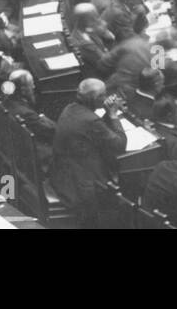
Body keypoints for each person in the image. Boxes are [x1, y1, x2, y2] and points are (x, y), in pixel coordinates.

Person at [51, 78, 126, 228]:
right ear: (95, 99)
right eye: (103, 95)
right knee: (125, 184)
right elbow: (120, 145)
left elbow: (95, 130)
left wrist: (106, 112)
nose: (106, 98)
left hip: (61, 173)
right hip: (80, 184)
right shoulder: (91, 120)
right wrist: (113, 115)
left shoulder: (71, 108)